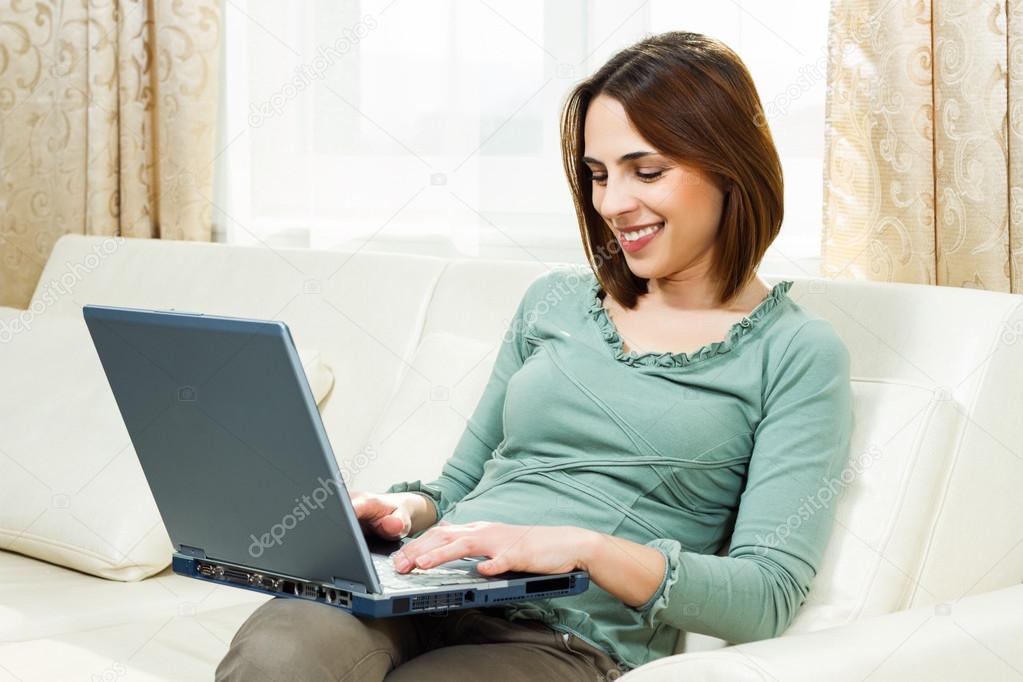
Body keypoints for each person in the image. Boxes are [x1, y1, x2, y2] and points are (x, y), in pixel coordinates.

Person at [216, 30, 854, 681]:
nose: (611, 203)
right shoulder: (552, 302)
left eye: (647, 171)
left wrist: (581, 549)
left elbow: (766, 596)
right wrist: (400, 511)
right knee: (279, 654)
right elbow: (458, 487)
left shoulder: (796, 352)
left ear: (731, 168)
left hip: (566, 637)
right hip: (420, 583)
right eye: (598, 175)